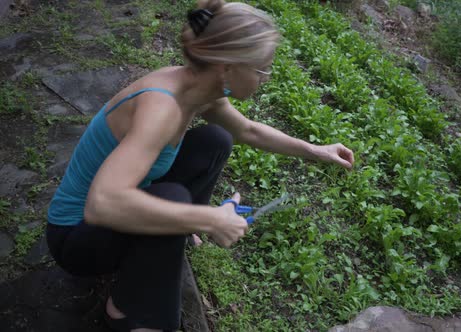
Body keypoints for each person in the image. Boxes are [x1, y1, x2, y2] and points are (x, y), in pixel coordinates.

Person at [45, 0, 355, 331]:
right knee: (174, 200)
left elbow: (247, 130)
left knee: (216, 140)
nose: (266, 77)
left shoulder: (199, 89)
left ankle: (176, 232)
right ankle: (126, 311)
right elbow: (101, 204)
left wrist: (316, 150)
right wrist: (209, 219)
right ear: (228, 67)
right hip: (75, 238)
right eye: (263, 68)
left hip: (113, 210)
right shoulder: (161, 108)